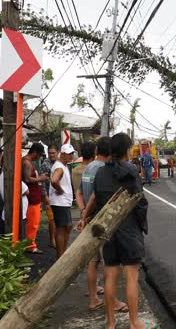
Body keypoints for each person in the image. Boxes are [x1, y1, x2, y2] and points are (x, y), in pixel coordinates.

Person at [80, 133, 154, 329]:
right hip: (129, 230)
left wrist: (86, 217)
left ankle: (111, 324)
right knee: (131, 276)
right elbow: (140, 202)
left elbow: (97, 201)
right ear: (126, 150)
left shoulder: (101, 173)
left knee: (110, 275)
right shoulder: (131, 171)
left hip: (109, 231)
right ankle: (133, 322)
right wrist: (142, 226)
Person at [76, 137, 128, 312]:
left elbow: (80, 193)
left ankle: (93, 299)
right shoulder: (103, 169)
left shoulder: (88, 168)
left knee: (93, 262)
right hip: (102, 222)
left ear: (98, 150)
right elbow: (95, 196)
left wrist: (83, 213)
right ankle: (112, 302)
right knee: (109, 263)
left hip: (90, 221)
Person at [49, 144, 76, 259]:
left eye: (72, 153)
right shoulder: (60, 167)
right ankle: (60, 257)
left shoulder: (62, 165)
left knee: (66, 227)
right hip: (60, 202)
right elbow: (54, 181)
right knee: (62, 228)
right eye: (69, 154)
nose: (71, 156)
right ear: (63, 154)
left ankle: (62, 255)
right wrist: (60, 190)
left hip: (62, 202)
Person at [23, 143, 48, 253]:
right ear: (35, 153)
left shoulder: (29, 162)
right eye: (39, 154)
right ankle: (30, 246)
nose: (39, 157)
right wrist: (41, 179)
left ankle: (30, 243)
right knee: (32, 223)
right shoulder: (27, 162)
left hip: (34, 197)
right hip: (31, 197)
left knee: (34, 222)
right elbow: (28, 179)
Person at [41, 144, 58, 248]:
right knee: (52, 219)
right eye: (50, 153)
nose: (51, 155)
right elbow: (42, 182)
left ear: (57, 153)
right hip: (49, 195)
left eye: (53, 153)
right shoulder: (45, 164)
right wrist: (45, 197)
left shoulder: (60, 163)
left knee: (58, 219)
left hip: (59, 195)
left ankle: (57, 238)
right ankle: (52, 240)